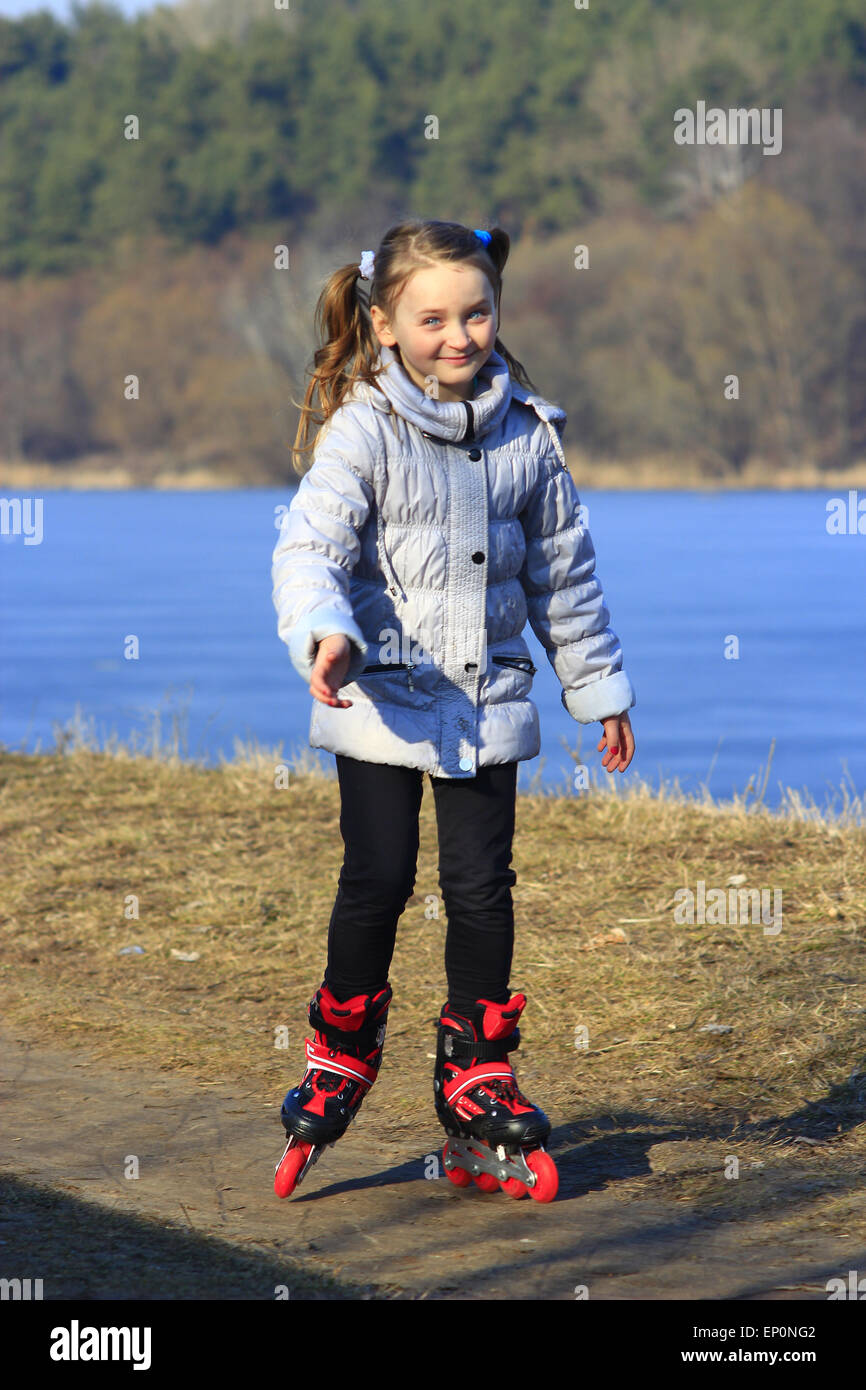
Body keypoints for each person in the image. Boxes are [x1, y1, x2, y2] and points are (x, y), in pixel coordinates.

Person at [270, 219, 636, 1200]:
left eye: (476, 312)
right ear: (384, 323)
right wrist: (323, 633)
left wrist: (595, 688)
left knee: (481, 890)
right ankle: (340, 1044)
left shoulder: (527, 434)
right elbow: (308, 548)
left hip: (490, 703)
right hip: (379, 702)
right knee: (377, 878)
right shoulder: (364, 428)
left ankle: (475, 1073)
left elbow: (566, 576)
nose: (459, 335)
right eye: (432, 317)